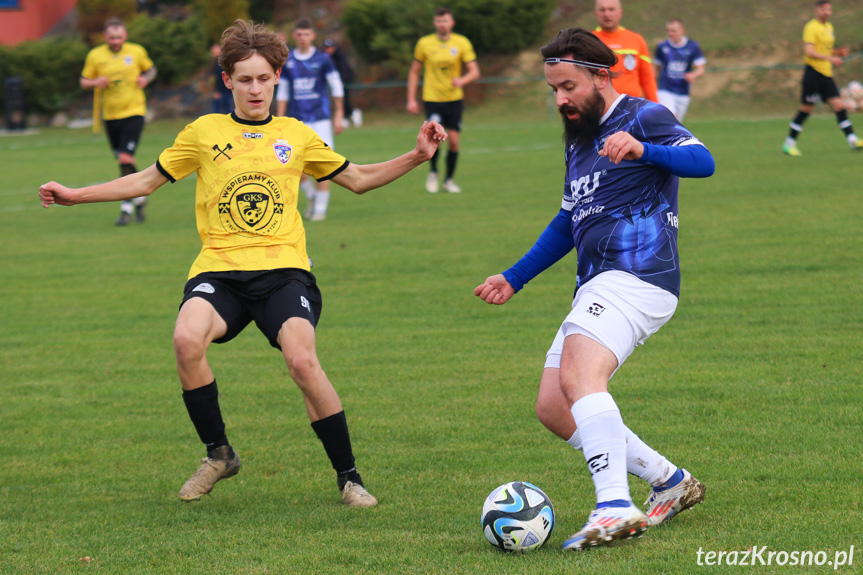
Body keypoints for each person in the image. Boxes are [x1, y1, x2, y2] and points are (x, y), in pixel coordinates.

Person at [40, 19, 447, 508]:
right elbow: (145, 181)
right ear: (228, 80)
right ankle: (219, 455)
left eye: (263, 77)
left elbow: (358, 178)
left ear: (277, 76)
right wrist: (75, 196)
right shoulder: (204, 132)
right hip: (219, 270)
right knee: (186, 339)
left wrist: (418, 156)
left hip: (283, 272)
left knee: (302, 360)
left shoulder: (295, 135)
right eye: (244, 78)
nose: (255, 88)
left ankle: (349, 477)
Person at [474, 28, 714, 550]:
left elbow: (704, 162)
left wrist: (644, 149)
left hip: (640, 273)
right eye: (553, 90)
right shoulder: (579, 144)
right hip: (599, 282)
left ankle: (614, 507)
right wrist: (514, 277)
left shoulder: (644, 115)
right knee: (554, 406)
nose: (560, 99)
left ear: (601, 76)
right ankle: (670, 482)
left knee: (582, 375)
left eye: (567, 86)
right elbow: (568, 221)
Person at [80, 18, 157, 226]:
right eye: (112, 37)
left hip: (134, 112)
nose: (116, 41)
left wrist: (145, 79)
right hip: (110, 116)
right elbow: (83, 80)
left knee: (124, 158)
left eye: (119, 37)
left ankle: (126, 207)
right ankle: (140, 196)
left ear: (126, 36)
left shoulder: (136, 52)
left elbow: (151, 70)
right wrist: (95, 82)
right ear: (105, 37)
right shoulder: (95, 55)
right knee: (125, 160)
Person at [276, 18, 344, 221]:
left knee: (324, 165)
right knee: (293, 165)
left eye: (307, 34)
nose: (303, 38)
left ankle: (320, 210)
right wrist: (279, 119)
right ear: (294, 36)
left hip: (321, 119)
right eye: (299, 34)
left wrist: (339, 113)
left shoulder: (323, 59)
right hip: (297, 120)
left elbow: (336, 85)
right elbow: (283, 91)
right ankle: (312, 196)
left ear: (313, 36)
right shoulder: (288, 62)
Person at [407, 7, 480, 194]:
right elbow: (414, 72)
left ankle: (448, 180)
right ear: (435, 23)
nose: (442, 24)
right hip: (432, 98)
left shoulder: (461, 42)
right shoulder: (424, 43)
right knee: (434, 137)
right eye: (439, 21)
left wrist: (462, 80)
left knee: (454, 142)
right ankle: (433, 173)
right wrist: (411, 99)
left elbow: (474, 71)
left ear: (451, 23)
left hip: (454, 99)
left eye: (445, 21)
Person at [782, 0, 863, 155]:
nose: (827, 12)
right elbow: (809, 52)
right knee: (806, 109)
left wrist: (837, 53)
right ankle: (788, 144)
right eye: (824, 9)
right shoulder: (811, 27)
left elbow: (824, 49)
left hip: (826, 74)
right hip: (813, 73)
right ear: (817, 10)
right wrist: (830, 59)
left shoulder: (829, 27)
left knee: (839, 106)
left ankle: (852, 140)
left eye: (829, 9)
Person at [592, 0, 657, 102]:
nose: (607, 14)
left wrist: (656, 107)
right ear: (596, 14)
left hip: (632, 105)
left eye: (611, 9)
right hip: (600, 106)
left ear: (620, 12)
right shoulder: (589, 41)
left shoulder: (636, 40)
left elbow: (647, 78)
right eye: (602, 10)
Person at [653, 19, 706, 122]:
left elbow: (701, 69)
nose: (670, 33)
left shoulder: (692, 46)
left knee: (676, 124)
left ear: (682, 30)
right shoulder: (662, 47)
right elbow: (656, 68)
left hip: (682, 92)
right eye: (668, 31)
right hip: (665, 89)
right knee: (669, 116)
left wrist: (693, 75)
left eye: (673, 31)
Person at [323, 38, 362, 128]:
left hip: (345, 81)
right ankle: (348, 116)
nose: (328, 50)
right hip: (336, 83)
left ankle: (349, 116)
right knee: (340, 101)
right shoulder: (326, 58)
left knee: (344, 100)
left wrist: (343, 82)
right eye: (326, 48)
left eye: (330, 47)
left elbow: (344, 70)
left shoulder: (340, 56)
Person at [210, 43, 233, 115]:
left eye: (214, 50)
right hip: (227, 88)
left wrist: (217, 91)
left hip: (224, 90)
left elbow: (220, 78)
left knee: (221, 109)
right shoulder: (218, 61)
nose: (213, 52)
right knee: (227, 108)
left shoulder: (219, 63)